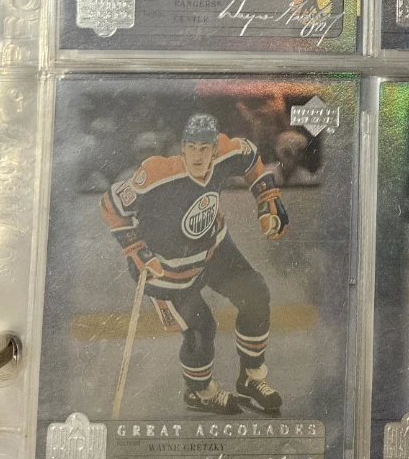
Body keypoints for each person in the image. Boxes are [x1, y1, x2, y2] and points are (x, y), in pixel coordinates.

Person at [101, 113, 288, 415]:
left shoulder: (227, 152)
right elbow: (110, 205)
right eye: (191, 148)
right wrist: (135, 249)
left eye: (204, 149)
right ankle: (200, 392)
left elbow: (251, 156)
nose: (198, 157)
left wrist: (267, 195)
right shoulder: (157, 173)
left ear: (214, 150)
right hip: (167, 270)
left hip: (212, 249)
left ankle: (252, 378)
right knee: (201, 327)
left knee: (255, 294)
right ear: (182, 148)